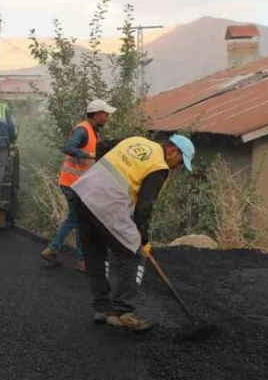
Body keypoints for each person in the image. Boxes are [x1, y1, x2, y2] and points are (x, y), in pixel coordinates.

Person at [72, 134, 195, 332]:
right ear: (172, 150)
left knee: (95, 253)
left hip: (83, 191)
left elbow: (102, 145)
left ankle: (102, 308)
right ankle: (123, 312)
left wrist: (100, 176)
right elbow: (145, 207)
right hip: (107, 202)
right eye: (180, 162)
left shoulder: (137, 140)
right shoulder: (159, 166)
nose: (178, 166)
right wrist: (142, 239)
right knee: (133, 254)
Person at [42, 99, 117, 273]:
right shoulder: (83, 130)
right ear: (97, 114)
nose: (108, 118)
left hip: (78, 184)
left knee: (74, 219)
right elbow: (68, 148)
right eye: (106, 115)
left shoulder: (92, 131)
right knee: (81, 221)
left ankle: (52, 249)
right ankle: (82, 261)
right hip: (72, 184)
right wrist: (91, 155)